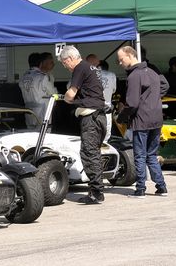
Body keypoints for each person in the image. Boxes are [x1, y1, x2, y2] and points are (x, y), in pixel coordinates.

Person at [116, 46, 169, 198]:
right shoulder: (152, 71)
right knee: (152, 154)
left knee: (140, 155)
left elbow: (132, 103)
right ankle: (161, 187)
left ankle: (140, 189)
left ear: (130, 55)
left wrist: (121, 118)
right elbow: (165, 85)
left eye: (121, 60)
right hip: (156, 118)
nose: (120, 63)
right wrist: (153, 98)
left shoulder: (134, 76)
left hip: (141, 120)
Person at [59, 46, 106, 204]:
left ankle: (96, 192)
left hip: (90, 115)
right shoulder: (92, 67)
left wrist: (65, 98)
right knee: (94, 152)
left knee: (88, 152)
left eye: (64, 64)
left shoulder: (80, 68)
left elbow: (71, 94)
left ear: (69, 59)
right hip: (100, 115)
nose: (65, 67)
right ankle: (97, 188)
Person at [19, 52, 57, 128]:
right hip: (42, 113)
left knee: (31, 135)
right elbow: (53, 93)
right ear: (41, 63)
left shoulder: (23, 77)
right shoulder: (42, 77)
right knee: (44, 135)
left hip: (29, 112)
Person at [98, 60, 117, 141]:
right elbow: (113, 90)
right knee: (106, 137)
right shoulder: (112, 75)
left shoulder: (92, 74)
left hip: (93, 109)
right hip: (107, 109)